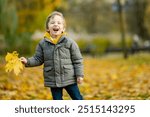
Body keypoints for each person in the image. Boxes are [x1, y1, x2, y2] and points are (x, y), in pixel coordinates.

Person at [20, 11, 84, 100]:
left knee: (77, 98)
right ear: (47, 28)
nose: (55, 24)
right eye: (52, 22)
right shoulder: (43, 44)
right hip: (53, 80)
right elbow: (38, 58)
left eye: (59, 23)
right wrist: (27, 61)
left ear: (63, 28)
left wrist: (79, 75)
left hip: (69, 78)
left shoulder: (69, 42)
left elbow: (77, 60)